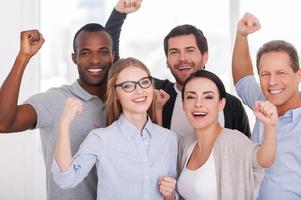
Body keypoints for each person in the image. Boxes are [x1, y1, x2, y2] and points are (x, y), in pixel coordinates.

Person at [0, 1, 141, 199]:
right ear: (74, 58)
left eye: (102, 52)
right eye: (85, 53)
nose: (94, 60)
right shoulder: (56, 101)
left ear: (113, 56)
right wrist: (23, 58)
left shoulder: (126, 103)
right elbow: (3, 123)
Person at [52, 57, 178, 200]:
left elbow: (174, 193)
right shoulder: (100, 139)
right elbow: (67, 180)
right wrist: (64, 125)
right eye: (128, 86)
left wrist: (171, 195)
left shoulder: (169, 139)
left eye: (144, 82)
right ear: (116, 93)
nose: (139, 91)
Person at [176, 70, 277, 200]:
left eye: (208, 97)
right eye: (191, 97)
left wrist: (270, 126)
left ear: (221, 104)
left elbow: (264, 160)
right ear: (183, 104)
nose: (198, 104)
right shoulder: (186, 143)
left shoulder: (233, 140)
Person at [232, 13, 301, 200]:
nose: (272, 82)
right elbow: (242, 79)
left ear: (298, 75)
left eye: (281, 73)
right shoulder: (263, 100)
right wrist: (241, 36)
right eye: (265, 74)